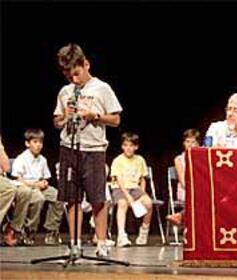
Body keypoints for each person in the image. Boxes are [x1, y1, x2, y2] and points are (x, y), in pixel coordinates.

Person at [53, 43, 122, 257]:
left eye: (76, 73)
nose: (74, 79)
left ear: (86, 64)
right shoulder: (65, 91)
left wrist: (95, 116)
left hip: (93, 150)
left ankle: (101, 243)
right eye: (69, 75)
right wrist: (64, 116)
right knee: (72, 197)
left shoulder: (102, 88)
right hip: (69, 148)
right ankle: (75, 243)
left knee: (97, 198)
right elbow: (56, 122)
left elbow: (116, 119)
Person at [11, 129, 65, 245]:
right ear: (27, 143)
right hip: (26, 186)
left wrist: (44, 182)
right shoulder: (21, 158)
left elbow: (45, 177)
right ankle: (29, 230)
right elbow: (17, 178)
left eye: (40, 142)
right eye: (35, 142)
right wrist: (35, 185)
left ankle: (51, 229)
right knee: (38, 198)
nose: (38, 145)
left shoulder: (43, 160)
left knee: (58, 196)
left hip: (39, 186)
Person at [110, 132, 153, 247]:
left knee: (148, 203)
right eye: (125, 145)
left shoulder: (140, 160)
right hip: (120, 188)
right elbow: (118, 180)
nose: (128, 148)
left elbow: (143, 179)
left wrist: (142, 193)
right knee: (123, 203)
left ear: (136, 147)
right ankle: (121, 235)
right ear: (122, 146)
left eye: (131, 145)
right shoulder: (117, 160)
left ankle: (144, 231)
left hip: (135, 188)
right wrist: (127, 196)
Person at [0, 135, 32, 246]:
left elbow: (6, 167)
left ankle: (12, 228)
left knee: (25, 192)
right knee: (9, 189)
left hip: (3, 178)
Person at [165, 129, 201, 227]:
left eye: (193, 142)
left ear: (198, 144)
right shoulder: (179, 159)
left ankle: (180, 216)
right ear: (183, 143)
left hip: (201, 189)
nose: (190, 144)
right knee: (199, 200)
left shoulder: (203, 158)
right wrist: (194, 189)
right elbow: (182, 181)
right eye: (187, 141)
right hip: (186, 189)